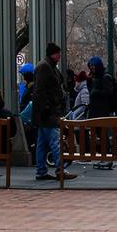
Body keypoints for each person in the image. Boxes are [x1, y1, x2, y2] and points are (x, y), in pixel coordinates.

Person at [28, 42, 72, 181]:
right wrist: (48, 108)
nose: (59, 56)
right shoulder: (45, 67)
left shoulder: (47, 66)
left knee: (41, 143)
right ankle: (60, 170)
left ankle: (41, 171)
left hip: (44, 113)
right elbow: (40, 91)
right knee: (55, 141)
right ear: (53, 53)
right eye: (58, 53)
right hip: (48, 113)